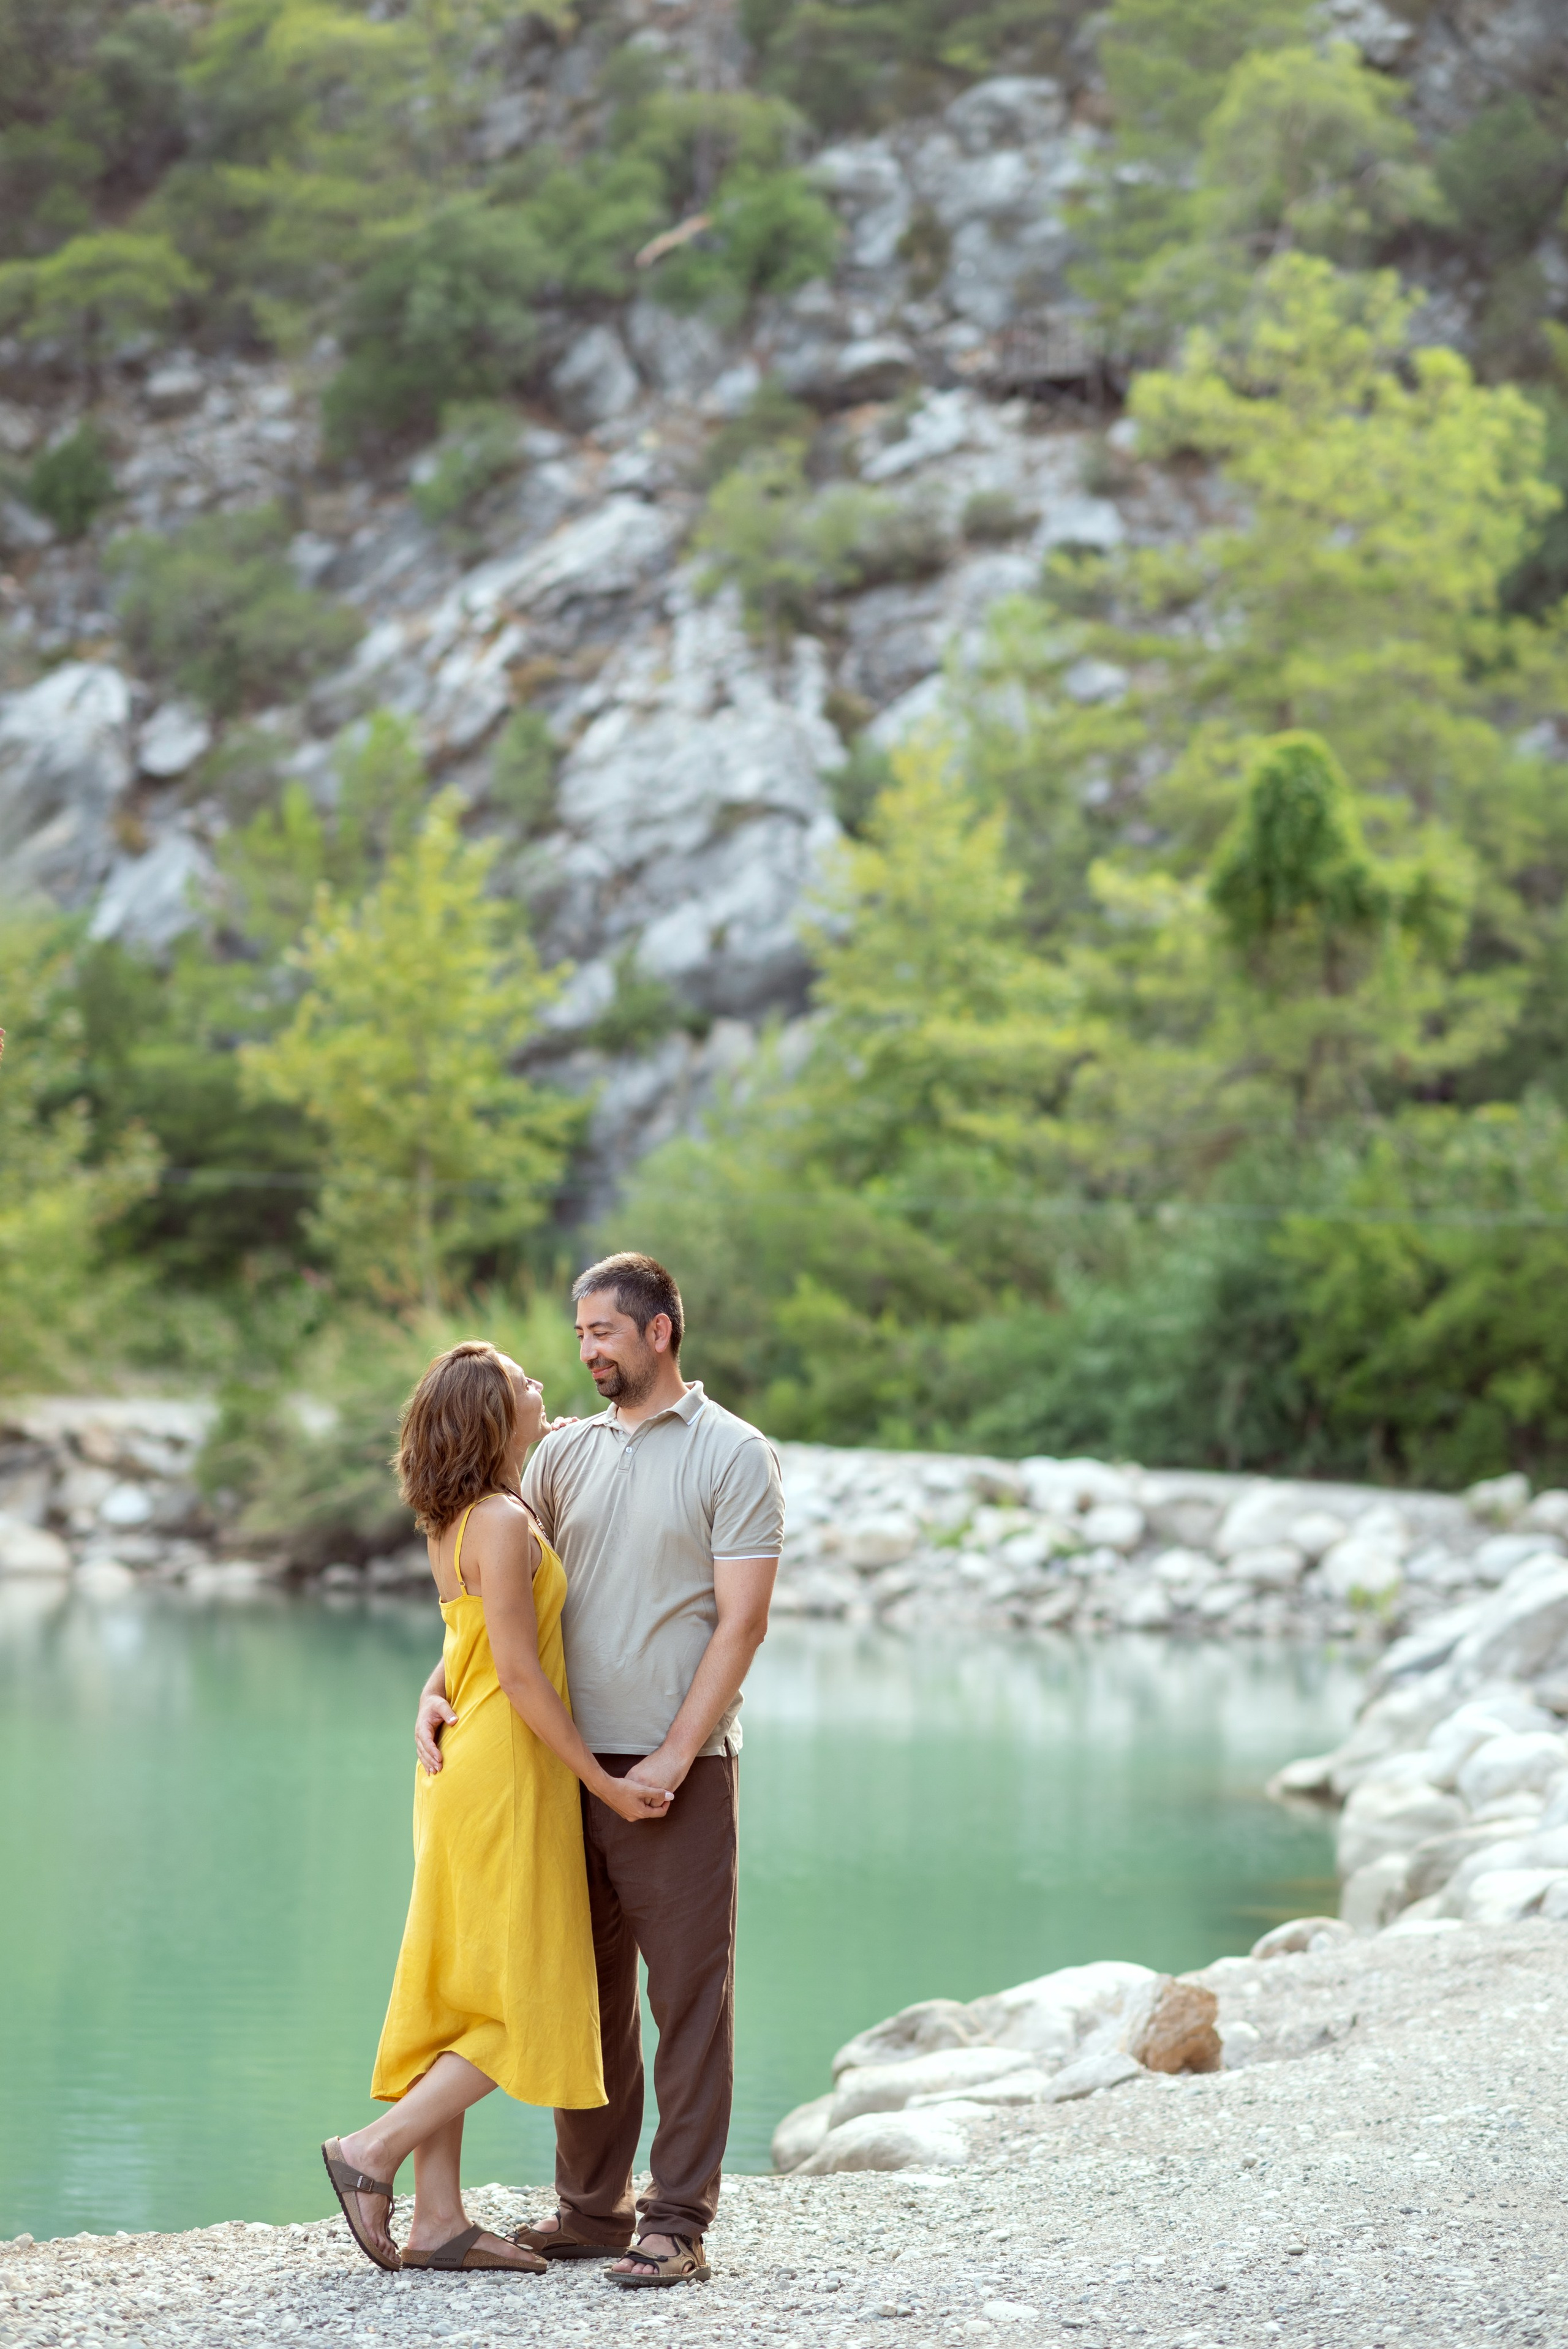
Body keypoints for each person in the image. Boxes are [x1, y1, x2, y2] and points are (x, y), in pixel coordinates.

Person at [413, 1254, 784, 2289]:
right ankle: (591, 2210)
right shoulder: (561, 1457)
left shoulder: (733, 1453)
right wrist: (440, 1682)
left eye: (602, 1334)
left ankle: (678, 2223)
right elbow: (495, 1598)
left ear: (660, 1331)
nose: (585, 1352)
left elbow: (743, 1623)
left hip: (677, 1773)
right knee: (584, 1994)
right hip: (551, 1770)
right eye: (577, 1335)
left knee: (690, 2000)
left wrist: (673, 1753)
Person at [322, 1340, 672, 2276]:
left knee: (460, 1989)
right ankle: (371, 2153)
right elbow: (516, 1670)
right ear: (492, 1416)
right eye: (523, 1384)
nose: (542, 1385)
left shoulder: (458, 1518)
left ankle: (438, 2221)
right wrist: (603, 1783)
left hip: (460, 1771)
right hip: (508, 1776)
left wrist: (430, 1689)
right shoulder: (506, 1522)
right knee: (521, 1997)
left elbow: (470, 1643)